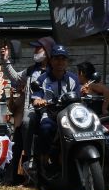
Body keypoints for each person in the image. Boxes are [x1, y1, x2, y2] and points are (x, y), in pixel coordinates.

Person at [0, 36, 54, 182]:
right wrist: (6, 60)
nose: (35, 51)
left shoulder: (55, 70)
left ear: (48, 51)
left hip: (52, 110)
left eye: (38, 48)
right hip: (33, 109)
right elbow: (16, 79)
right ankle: (31, 160)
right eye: (35, 48)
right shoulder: (31, 71)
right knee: (25, 121)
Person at [31, 44, 81, 172]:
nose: (60, 62)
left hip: (70, 116)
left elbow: (79, 97)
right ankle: (46, 159)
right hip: (50, 115)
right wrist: (39, 101)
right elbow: (36, 98)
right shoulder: (43, 79)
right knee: (45, 128)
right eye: (57, 58)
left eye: (63, 58)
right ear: (51, 60)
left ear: (67, 61)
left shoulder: (73, 79)